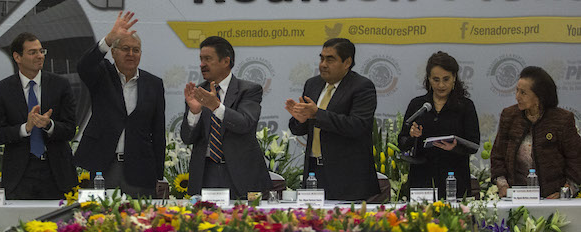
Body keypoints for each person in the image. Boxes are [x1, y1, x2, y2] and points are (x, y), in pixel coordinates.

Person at [74, 11, 165, 197]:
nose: (131, 54)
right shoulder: (101, 74)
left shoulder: (153, 83)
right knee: (101, 222)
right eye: (125, 48)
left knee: (140, 222)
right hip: (104, 167)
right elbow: (83, 65)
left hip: (140, 169)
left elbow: (158, 132)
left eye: (136, 50)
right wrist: (109, 39)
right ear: (113, 52)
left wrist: (159, 175)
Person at [286, 38, 380, 201]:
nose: (323, 64)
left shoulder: (362, 87)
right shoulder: (313, 84)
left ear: (347, 62)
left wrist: (317, 114)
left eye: (330, 59)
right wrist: (300, 119)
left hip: (348, 177)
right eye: (321, 58)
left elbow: (357, 125)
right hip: (315, 172)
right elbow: (301, 128)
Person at [0, 32, 78, 199]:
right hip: (20, 174)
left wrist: (49, 125)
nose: (39, 56)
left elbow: (70, 128)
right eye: (33, 52)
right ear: (17, 57)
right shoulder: (2, 90)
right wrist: (25, 128)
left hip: (56, 172)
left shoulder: (60, 85)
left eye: (41, 51)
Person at [181, 36, 272, 198]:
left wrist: (216, 107)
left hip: (240, 175)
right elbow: (187, 138)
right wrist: (194, 112)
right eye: (201, 59)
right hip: (205, 174)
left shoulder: (249, 90)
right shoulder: (198, 93)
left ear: (225, 61)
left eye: (208, 59)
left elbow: (245, 123)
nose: (202, 64)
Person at [397, 51, 480, 199]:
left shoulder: (465, 106)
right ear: (428, 79)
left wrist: (455, 147)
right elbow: (402, 142)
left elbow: (474, 143)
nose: (441, 85)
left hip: (454, 177)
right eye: (436, 79)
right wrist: (411, 136)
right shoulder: (418, 105)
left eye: (446, 79)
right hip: (422, 179)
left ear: (454, 78)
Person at [491, 66, 581, 199]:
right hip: (515, 197)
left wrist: (566, 192)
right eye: (517, 91)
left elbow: (576, 158)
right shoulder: (509, 115)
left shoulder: (562, 119)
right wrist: (503, 185)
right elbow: (497, 156)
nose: (517, 97)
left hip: (553, 197)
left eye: (523, 93)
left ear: (539, 97)